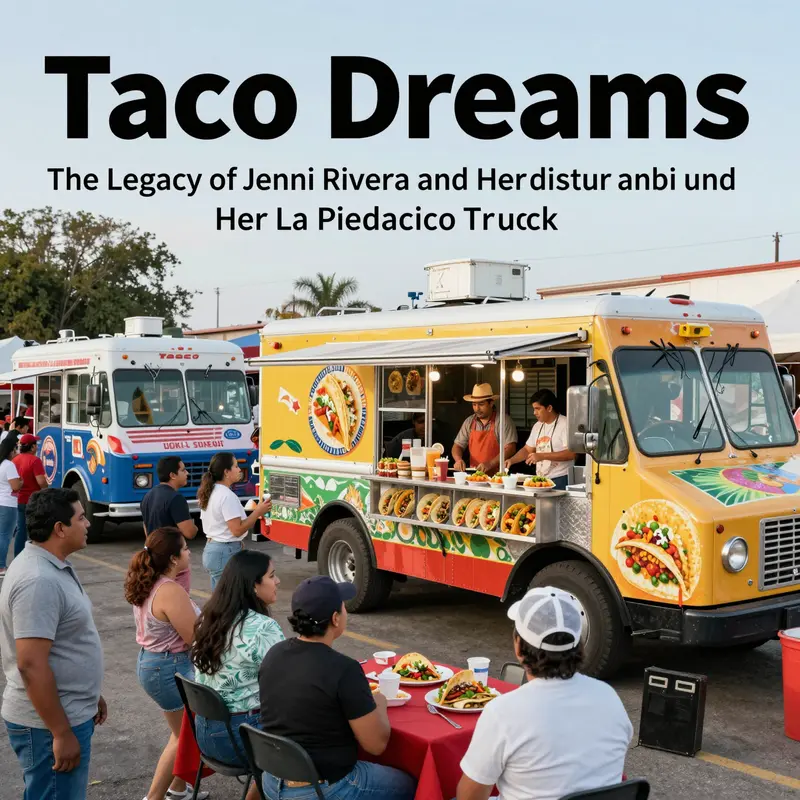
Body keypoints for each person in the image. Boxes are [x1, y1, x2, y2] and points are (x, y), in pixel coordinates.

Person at [456, 587, 632, 800]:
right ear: (579, 646)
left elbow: (469, 797)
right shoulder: (609, 698)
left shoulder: (503, 712)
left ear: (519, 647)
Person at [258, 576, 416, 800]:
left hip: (271, 781)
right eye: (343, 606)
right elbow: (376, 745)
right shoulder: (344, 669)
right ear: (335, 618)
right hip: (323, 789)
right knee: (413, 785)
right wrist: (380, 702)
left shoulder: (274, 654)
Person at [0, 487, 107, 800]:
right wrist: (60, 732)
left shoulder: (51, 565)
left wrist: (89, 694)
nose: (87, 523)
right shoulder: (38, 580)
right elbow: (31, 665)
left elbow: (65, 642)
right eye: (81, 518)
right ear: (60, 528)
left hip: (67, 711)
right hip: (48, 725)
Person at [192, 551, 284, 800]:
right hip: (241, 739)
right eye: (272, 576)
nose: (277, 582)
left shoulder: (208, 618)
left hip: (205, 734)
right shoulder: (263, 628)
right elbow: (290, 683)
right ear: (253, 585)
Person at [124, 527, 207, 800]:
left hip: (155, 663)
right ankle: (154, 797)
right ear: (172, 558)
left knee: (182, 733)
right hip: (168, 667)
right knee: (184, 736)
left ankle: (178, 788)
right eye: (185, 549)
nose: (189, 553)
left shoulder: (154, 582)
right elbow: (193, 637)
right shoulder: (169, 590)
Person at [198, 452, 271, 589]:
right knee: (231, 597)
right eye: (236, 466)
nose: (239, 470)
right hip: (224, 552)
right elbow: (237, 530)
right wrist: (258, 512)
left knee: (220, 597)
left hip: (213, 549)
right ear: (226, 472)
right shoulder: (226, 495)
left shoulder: (211, 491)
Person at [142, 456, 198, 591]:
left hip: (155, 559)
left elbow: (145, 525)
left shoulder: (148, 496)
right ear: (172, 475)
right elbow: (189, 532)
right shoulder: (176, 498)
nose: (187, 473)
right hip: (173, 563)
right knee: (179, 598)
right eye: (183, 470)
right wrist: (196, 525)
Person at [506, 389, 576, 490]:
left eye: (538, 409)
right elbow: (527, 449)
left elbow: (571, 453)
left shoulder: (565, 424)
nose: (534, 413)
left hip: (561, 478)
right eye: (534, 409)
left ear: (549, 408)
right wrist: (511, 460)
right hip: (541, 478)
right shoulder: (537, 426)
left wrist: (541, 456)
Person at [452, 383, 517, 475]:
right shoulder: (469, 421)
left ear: (491, 403)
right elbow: (457, 446)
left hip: (499, 476)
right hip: (474, 475)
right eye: (474, 404)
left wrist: (490, 463)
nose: (477, 409)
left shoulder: (503, 421)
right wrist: (458, 460)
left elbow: (510, 448)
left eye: (481, 404)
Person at [12, 434, 47, 558]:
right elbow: (41, 482)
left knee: (21, 530)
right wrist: (47, 489)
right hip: (33, 500)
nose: (37, 447)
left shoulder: (15, 460)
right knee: (34, 531)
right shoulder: (35, 460)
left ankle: (18, 557)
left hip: (18, 500)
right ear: (32, 447)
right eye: (35, 445)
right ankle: (33, 558)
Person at [0, 437, 22, 576]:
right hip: (8, 504)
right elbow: (15, 486)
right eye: (15, 449)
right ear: (10, 450)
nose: (16, 452)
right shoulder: (9, 465)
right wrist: (21, 482)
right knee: (5, 536)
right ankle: (1, 566)